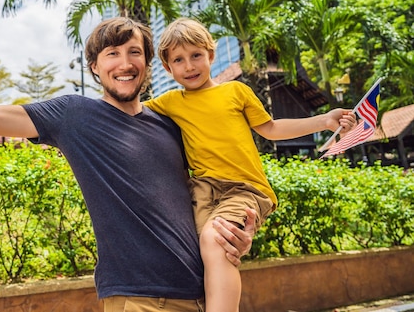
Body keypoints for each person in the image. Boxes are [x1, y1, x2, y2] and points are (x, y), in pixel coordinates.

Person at [0, 17, 257, 312]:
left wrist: (240, 227)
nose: (125, 63)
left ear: (148, 66)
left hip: (204, 292)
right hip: (143, 297)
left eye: (134, 52)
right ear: (95, 67)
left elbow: (215, 187)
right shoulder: (74, 115)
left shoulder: (170, 123)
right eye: (112, 53)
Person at [143, 18, 356, 312]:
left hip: (244, 188)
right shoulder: (169, 102)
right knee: (196, 253)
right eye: (179, 60)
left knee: (216, 239)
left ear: (211, 55)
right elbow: (129, 115)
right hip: (203, 190)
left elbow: (271, 128)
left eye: (196, 56)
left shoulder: (236, 92)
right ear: (168, 68)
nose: (189, 66)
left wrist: (324, 120)